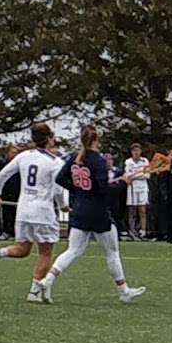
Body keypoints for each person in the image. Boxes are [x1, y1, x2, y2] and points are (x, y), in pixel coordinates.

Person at [37, 125, 145, 305]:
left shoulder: (75, 157)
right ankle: (124, 290)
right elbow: (104, 191)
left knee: (72, 250)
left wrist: (80, 191)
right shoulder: (98, 161)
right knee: (112, 252)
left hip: (79, 210)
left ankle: (48, 280)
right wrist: (124, 183)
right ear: (95, 140)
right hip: (98, 213)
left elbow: (61, 179)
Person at [0, 123, 67, 303]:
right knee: (45, 253)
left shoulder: (24, 156)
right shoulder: (56, 162)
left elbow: (3, 174)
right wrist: (63, 205)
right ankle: (34, 292)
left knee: (23, 249)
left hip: (24, 210)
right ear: (49, 138)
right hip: (43, 212)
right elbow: (58, 191)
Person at [124, 143, 150, 239]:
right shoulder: (128, 162)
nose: (136, 152)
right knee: (132, 210)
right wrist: (139, 174)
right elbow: (128, 175)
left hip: (143, 188)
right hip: (132, 188)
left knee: (142, 210)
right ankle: (132, 230)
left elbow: (147, 175)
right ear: (131, 152)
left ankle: (143, 231)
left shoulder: (145, 161)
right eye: (134, 151)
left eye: (138, 150)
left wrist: (135, 175)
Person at [0, 144, 21, 239]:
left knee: (16, 213)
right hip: (6, 191)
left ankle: (14, 232)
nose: (14, 155)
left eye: (16, 153)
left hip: (17, 191)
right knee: (6, 212)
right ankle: (6, 231)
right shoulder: (3, 164)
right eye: (12, 153)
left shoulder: (20, 165)